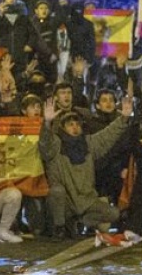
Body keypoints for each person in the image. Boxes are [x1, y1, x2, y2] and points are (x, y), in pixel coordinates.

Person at [39, 94, 133, 238]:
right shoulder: (56, 145)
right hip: (65, 202)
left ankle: (81, 222)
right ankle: (59, 227)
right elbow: (45, 142)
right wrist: (47, 123)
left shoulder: (88, 144)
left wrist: (123, 119)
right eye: (70, 124)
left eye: (77, 124)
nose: (75, 127)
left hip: (86, 200)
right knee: (56, 191)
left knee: (113, 214)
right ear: (63, 128)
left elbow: (106, 136)